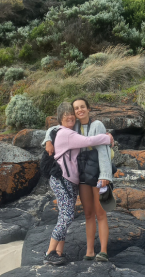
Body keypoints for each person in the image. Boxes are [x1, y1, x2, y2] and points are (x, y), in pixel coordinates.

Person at [43, 97, 115, 262]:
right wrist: (47, 139)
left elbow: (103, 151)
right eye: (76, 108)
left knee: (100, 212)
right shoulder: (72, 125)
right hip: (81, 174)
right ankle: (89, 251)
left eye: (82, 107)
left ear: (88, 109)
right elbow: (55, 128)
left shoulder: (97, 125)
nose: (79, 110)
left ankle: (102, 251)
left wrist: (105, 175)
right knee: (88, 214)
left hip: (97, 173)